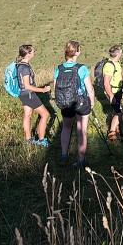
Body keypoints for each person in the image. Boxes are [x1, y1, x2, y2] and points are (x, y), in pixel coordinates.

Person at [53, 40, 95, 168]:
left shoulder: (59, 68)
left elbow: (55, 87)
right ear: (77, 52)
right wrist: (91, 102)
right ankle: (81, 160)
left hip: (65, 103)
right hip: (81, 103)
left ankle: (64, 155)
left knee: (66, 128)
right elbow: (90, 88)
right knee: (81, 130)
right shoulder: (81, 68)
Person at [15, 44, 51, 147]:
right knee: (45, 114)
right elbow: (27, 86)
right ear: (28, 54)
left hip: (22, 94)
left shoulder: (19, 65)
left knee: (28, 114)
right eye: (33, 52)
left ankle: (28, 140)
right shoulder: (25, 68)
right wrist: (43, 90)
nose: (34, 53)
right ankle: (41, 140)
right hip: (29, 94)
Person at [102, 45, 123, 141]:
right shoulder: (109, 65)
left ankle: (117, 131)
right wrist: (111, 95)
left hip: (118, 90)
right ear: (118, 53)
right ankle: (111, 134)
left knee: (116, 111)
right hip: (113, 92)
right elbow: (106, 83)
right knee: (119, 112)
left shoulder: (116, 63)